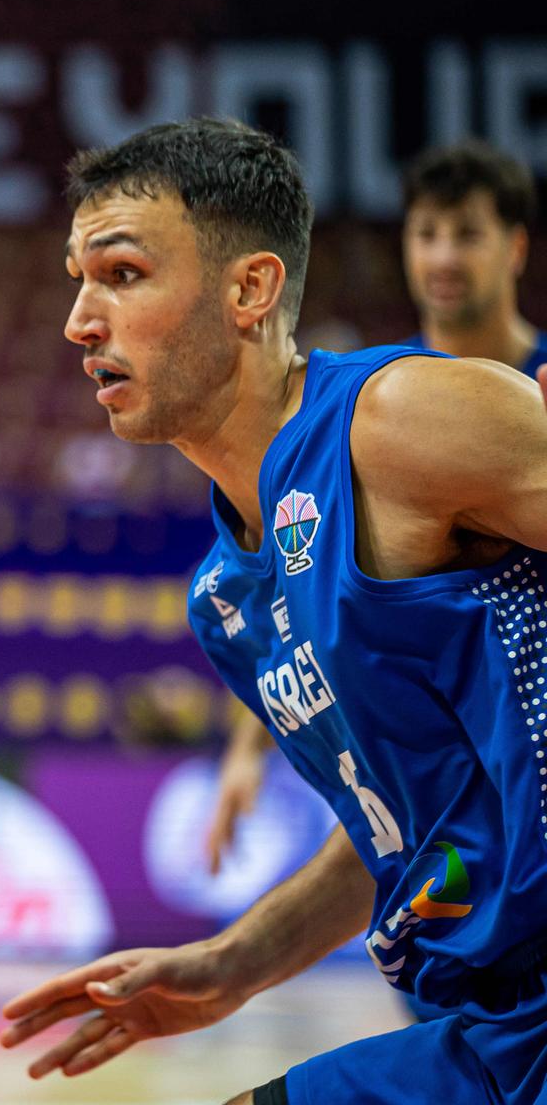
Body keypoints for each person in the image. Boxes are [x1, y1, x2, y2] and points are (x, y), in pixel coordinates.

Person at [1, 117, 547, 1104]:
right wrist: (232, 964)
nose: (80, 321)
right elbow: (393, 818)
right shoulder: (224, 599)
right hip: (501, 1028)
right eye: (78, 281)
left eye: (122, 275)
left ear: (250, 290)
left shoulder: (398, 422)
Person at [205, 137, 543, 874]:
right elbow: (299, 596)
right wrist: (247, 750)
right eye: (426, 234)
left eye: (467, 234)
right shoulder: (372, 404)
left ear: (515, 248)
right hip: (446, 775)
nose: (443, 257)